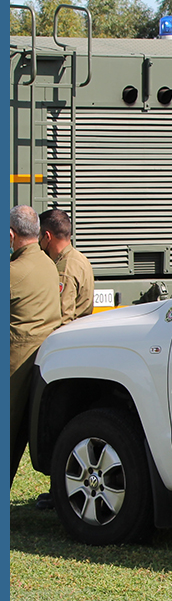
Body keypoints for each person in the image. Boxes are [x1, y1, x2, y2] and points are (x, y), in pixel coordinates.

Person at [10, 205, 61, 483]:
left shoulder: (14, 271)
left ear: (11, 235)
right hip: (42, 363)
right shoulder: (48, 264)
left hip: (15, 366)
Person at [39, 208, 94, 324]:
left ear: (47, 236)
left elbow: (63, 317)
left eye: (39, 235)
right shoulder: (80, 258)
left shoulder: (64, 269)